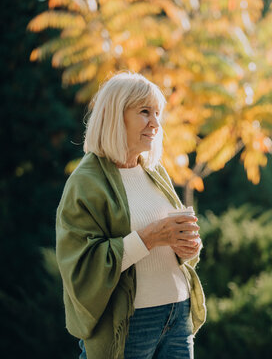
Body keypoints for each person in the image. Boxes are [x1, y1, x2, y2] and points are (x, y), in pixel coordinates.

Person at [56, 72, 206, 359]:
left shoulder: (154, 172)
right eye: (144, 112)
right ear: (115, 116)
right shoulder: (85, 182)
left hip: (177, 316)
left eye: (158, 114)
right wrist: (149, 237)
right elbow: (81, 267)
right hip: (131, 323)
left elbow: (174, 246)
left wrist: (187, 248)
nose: (156, 123)